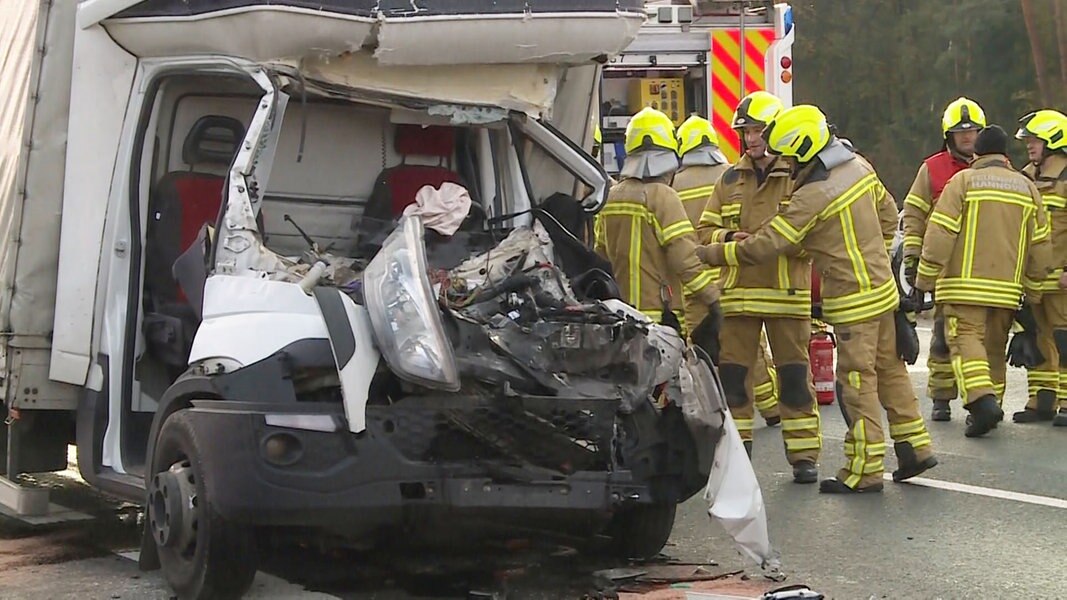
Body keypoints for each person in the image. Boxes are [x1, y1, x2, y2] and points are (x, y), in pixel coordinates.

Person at [697, 104, 937, 493]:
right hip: (881, 291)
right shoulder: (859, 167)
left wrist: (713, 252)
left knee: (856, 383)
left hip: (851, 299)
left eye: (791, 155)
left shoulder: (813, 195)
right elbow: (889, 217)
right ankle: (914, 447)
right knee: (890, 372)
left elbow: (767, 245)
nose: (787, 163)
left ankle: (864, 471)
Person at [695, 94, 818, 481]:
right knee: (734, 382)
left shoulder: (799, 175)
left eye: (758, 130)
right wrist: (733, 235)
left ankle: (804, 458)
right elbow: (704, 232)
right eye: (746, 131)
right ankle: (738, 454)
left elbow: (812, 234)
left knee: (795, 379)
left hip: (787, 295)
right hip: (739, 296)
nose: (751, 139)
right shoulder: (729, 179)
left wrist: (773, 241)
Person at [915, 125, 1053, 437]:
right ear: (1006, 155)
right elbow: (1041, 245)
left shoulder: (962, 181)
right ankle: (992, 406)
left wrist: (924, 279)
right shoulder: (1027, 186)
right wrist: (1032, 291)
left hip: (963, 287)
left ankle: (981, 401)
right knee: (993, 348)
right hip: (1007, 291)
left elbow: (940, 232)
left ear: (976, 153)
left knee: (966, 343)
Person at [673, 114, 783, 438]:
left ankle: (713, 413)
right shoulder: (730, 176)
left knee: (705, 351)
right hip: (732, 277)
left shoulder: (673, 185)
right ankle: (772, 406)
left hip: (695, 283)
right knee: (751, 354)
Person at [594, 107, 722, 344]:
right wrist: (714, 300)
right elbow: (685, 260)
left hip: (618, 315)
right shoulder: (663, 196)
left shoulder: (610, 197)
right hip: (659, 321)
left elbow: (600, 257)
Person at [901, 97, 986, 422]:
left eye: (973, 131)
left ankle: (979, 400)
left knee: (979, 341)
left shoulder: (996, 168)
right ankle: (941, 397)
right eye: (960, 132)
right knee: (942, 337)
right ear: (948, 135)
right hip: (947, 268)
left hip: (984, 266)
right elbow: (914, 212)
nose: (967, 137)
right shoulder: (932, 168)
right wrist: (912, 255)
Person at [1011, 110, 1067, 426]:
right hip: (1032, 278)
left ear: (1054, 142)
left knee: (1064, 337)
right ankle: (1042, 399)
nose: (1030, 146)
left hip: (1061, 277)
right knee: (1036, 335)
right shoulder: (1024, 177)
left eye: (1035, 140)